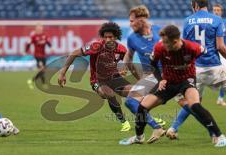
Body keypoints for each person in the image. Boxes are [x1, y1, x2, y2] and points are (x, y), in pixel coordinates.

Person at [119, 25, 226, 147]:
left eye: (166, 42)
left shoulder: (192, 48)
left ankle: (219, 136)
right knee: (143, 107)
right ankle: (139, 137)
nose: (163, 44)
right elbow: (153, 64)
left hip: (186, 81)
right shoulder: (159, 47)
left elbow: (206, 51)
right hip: (168, 82)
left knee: (195, 105)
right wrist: (160, 80)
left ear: (175, 41)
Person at [166, 0, 226, 143]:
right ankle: (214, 134)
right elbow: (220, 47)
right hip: (214, 68)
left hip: (195, 69)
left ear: (195, 6)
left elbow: (183, 47)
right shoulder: (217, 20)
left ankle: (174, 128)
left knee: (193, 102)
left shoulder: (187, 21)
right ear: (207, 6)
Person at [58, 22, 131, 132]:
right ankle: (124, 122)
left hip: (114, 77)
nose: (107, 40)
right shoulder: (96, 46)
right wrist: (62, 73)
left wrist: (125, 68)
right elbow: (74, 53)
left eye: (110, 37)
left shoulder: (121, 49)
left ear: (116, 37)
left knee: (134, 92)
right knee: (108, 93)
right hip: (98, 80)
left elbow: (127, 61)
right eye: (105, 37)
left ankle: (150, 118)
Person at [123, 5, 166, 143]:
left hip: (170, 75)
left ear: (141, 19)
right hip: (152, 76)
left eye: (132, 21)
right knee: (131, 102)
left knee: (189, 104)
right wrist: (124, 66)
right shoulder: (132, 38)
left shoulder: (160, 32)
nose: (130, 24)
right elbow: (129, 57)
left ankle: (215, 134)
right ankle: (155, 128)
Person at [26, 24, 53, 89]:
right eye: (38, 28)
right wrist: (26, 51)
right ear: (36, 29)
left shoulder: (44, 36)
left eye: (41, 28)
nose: (40, 29)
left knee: (43, 71)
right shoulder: (33, 36)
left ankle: (32, 80)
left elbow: (48, 42)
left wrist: (51, 47)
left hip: (43, 55)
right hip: (37, 55)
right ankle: (42, 83)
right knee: (41, 69)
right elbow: (29, 44)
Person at [213, 4, 226, 106]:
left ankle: (220, 98)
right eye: (214, 10)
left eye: (218, 10)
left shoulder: (224, 23)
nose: (216, 12)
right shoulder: (210, 22)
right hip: (215, 53)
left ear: (221, 12)